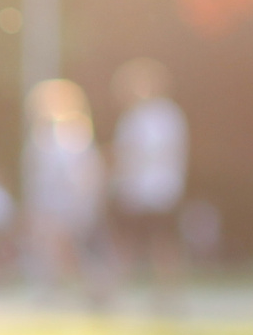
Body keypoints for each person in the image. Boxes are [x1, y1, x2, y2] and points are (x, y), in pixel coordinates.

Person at [108, 60, 188, 300]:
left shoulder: (161, 115)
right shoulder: (139, 116)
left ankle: (166, 293)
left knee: (160, 242)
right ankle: (118, 290)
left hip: (155, 190)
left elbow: (138, 153)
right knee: (129, 241)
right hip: (140, 190)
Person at [22, 79, 104, 298]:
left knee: (65, 249)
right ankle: (62, 288)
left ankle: (94, 287)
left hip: (66, 204)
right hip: (48, 203)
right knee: (53, 249)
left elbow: (82, 174)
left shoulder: (74, 133)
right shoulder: (41, 134)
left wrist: (80, 203)